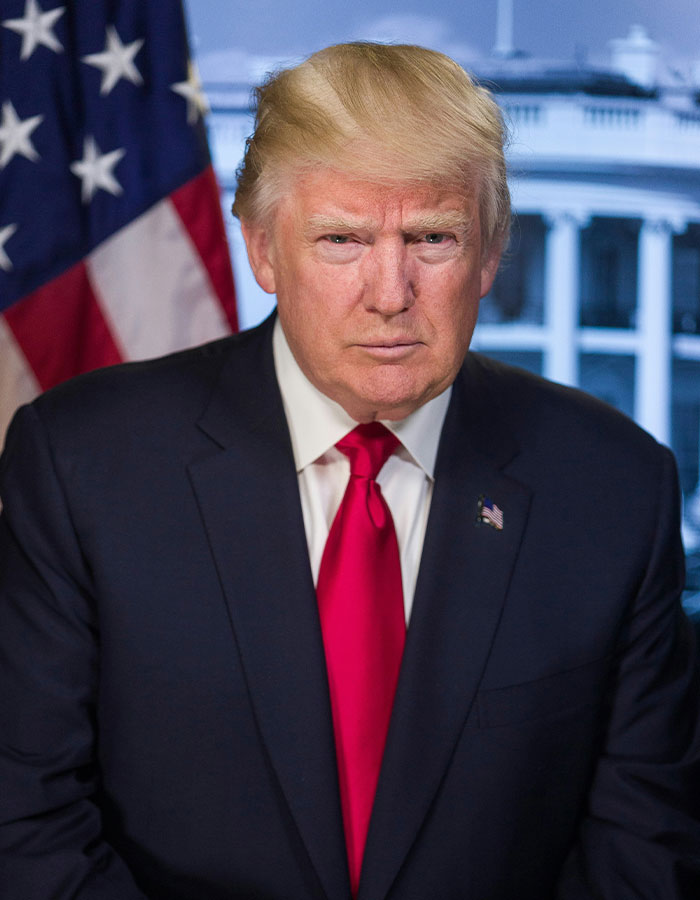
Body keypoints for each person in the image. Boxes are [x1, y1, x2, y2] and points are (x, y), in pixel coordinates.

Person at [1, 41, 699, 900]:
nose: (389, 291)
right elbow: (26, 820)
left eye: (432, 238)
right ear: (262, 250)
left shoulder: (616, 488)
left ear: (489, 257)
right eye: (342, 239)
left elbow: (646, 841)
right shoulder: (81, 463)